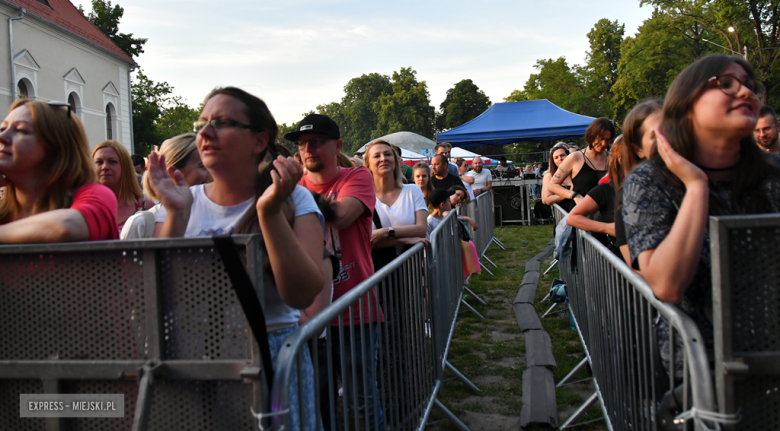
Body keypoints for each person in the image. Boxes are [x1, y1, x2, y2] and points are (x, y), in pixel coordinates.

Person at [147, 87, 324, 430]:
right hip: (194, 361)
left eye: (222, 122)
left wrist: (269, 213)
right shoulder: (180, 201)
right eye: (201, 124)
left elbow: (302, 295)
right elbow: (156, 298)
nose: (205, 133)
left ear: (259, 141)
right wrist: (176, 215)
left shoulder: (294, 199)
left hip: (270, 360)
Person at [622, 55, 780, 379]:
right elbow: (667, 284)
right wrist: (696, 186)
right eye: (726, 84)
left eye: (751, 86)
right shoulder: (650, 181)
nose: (746, 93)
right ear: (687, 103)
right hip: (704, 372)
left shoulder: (773, 175)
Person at [291, 113, 383, 430]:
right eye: (302, 144)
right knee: (319, 401)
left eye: (316, 142)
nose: (308, 150)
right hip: (309, 314)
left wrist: (288, 193)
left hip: (354, 307)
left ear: (337, 145)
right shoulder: (293, 187)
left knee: (361, 400)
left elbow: (341, 216)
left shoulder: (357, 177)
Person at [0, 99, 117, 242]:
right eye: (2, 129)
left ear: (57, 148)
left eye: (20, 130)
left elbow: (67, 226)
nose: (2, 137)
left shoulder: (96, 194)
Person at [121, 133, 211, 239]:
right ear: (173, 173)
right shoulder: (141, 224)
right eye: (203, 166)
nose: (213, 173)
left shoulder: (223, 218)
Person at [612, 100, 662, 269]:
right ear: (638, 150)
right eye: (656, 135)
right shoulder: (634, 191)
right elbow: (645, 271)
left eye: (673, 129)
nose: (668, 139)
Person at [365, 139, 428, 271]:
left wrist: (384, 232)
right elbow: (366, 240)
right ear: (368, 165)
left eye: (387, 154)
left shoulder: (412, 190)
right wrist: (403, 239)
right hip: (378, 272)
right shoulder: (363, 198)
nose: (383, 159)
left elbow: (421, 229)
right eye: (377, 156)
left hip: (412, 269)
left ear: (395, 161)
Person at [566, 136, 626, 255]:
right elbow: (572, 217)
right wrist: (607, 228)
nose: (604, 143)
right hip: (620, 263)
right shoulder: (607, 189)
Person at [93, 140, 154, 237]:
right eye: (99, 162)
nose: (104, 167)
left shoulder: (147, 207)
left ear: (125, 167)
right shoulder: (82, 206)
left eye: (112, 162)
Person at [548, 118, 614, 204]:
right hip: (581, 214)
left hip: (607, 214)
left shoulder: (612, 158)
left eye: (607, 140)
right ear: (591, 136)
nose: (604, 143)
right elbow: (552, 185)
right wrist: (574, 195)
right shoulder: (575, 157)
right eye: (600, 139)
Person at [541, 144, 574, 212]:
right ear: (553, 161)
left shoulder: (576, 172)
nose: (560, 159)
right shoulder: (549, 175)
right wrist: (568, 194)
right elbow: (546, 199)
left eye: (562, 155)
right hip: (563, 216)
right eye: (556, 157)